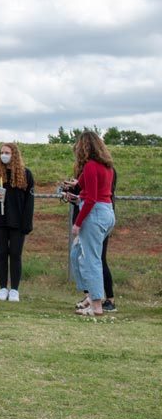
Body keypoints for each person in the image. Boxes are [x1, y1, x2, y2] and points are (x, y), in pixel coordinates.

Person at [66, 131, 116, 316]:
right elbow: (93, 194)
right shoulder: (106, 167)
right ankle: (90, 295)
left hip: (95, 214)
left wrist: (78, 223)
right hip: (106, 212)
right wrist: (77, 197)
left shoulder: (90, 166)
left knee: (92, 259)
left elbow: (93, 198)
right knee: (76, 254)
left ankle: (96, 305)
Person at [0, 142, 35, 302]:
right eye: (2, 152)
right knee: (2, 254)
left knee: (16, 254)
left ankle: (15, 290)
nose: (4, 155)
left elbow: (29, 202)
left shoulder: (26, 174)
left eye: (7, 152)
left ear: (14, 155)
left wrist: (27, 223)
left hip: (18, 221)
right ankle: (3, 287)